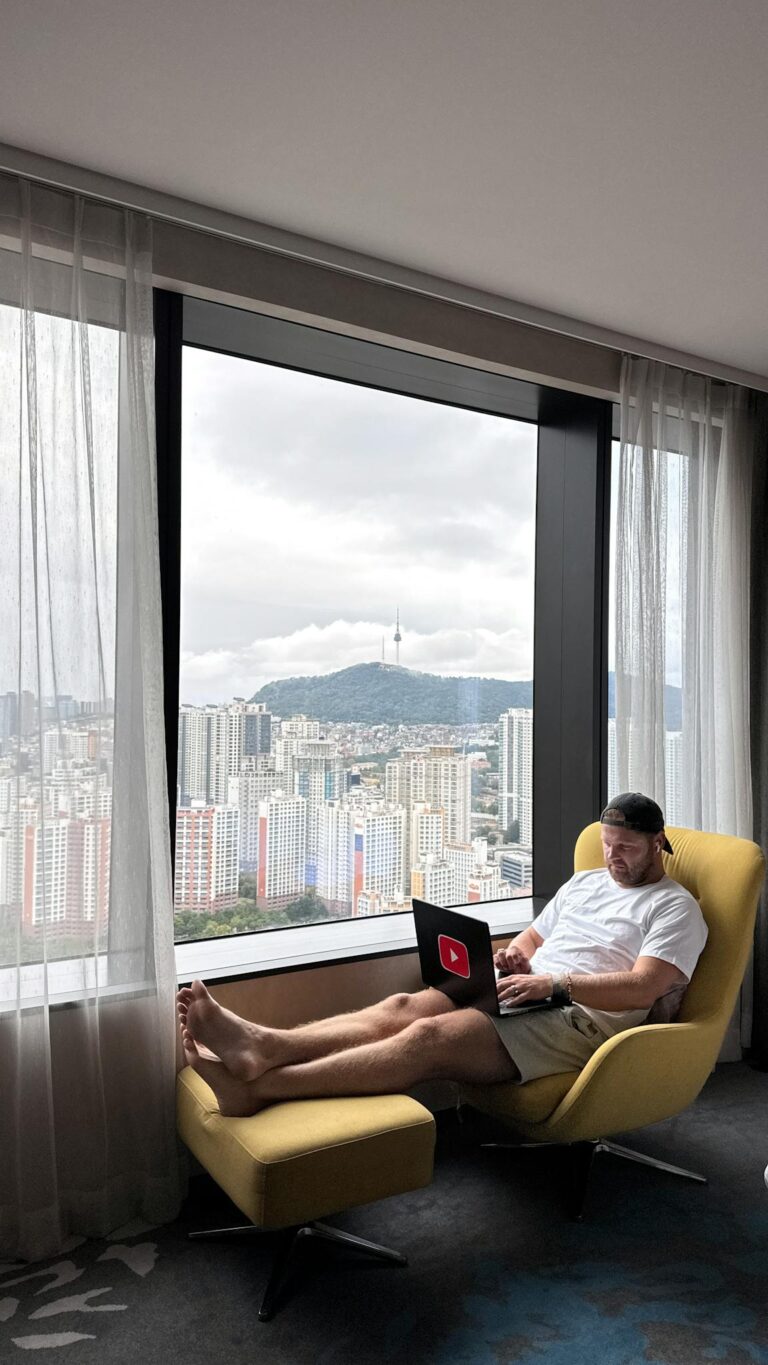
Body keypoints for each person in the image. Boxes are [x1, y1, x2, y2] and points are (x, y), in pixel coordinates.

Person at [177, 793, 707, 1117]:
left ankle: (263, 1089)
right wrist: (512, 960)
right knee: (404, 1008)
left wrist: (553, 985)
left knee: (426, 1038)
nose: (613, 857)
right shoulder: (587, 881)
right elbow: (530, 940)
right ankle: (266, 1045)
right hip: (529, 992)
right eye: (609, 844)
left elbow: (644, 987)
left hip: (582, 1019)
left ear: (658, 843)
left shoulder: (676, 908)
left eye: (627, 848)